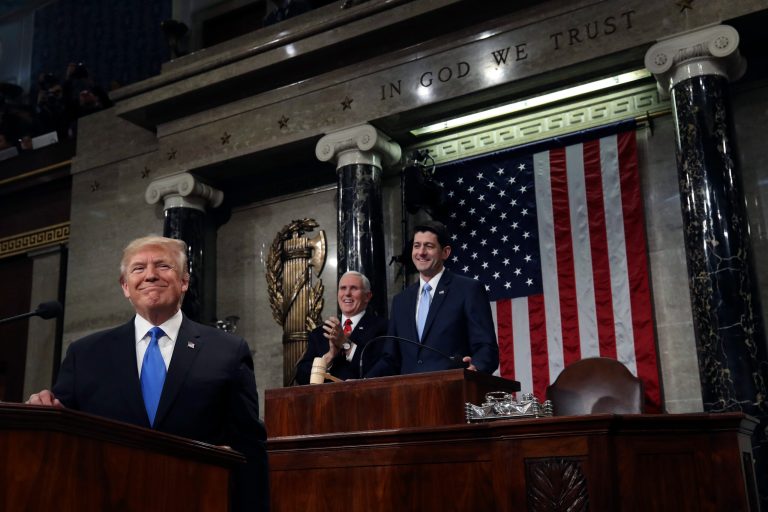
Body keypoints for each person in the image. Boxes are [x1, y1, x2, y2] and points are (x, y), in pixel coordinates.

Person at [26, 236, 269, 512]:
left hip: (198, 499)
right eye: (138, 268)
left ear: (185, 282)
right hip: (107, 500)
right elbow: (62, 431)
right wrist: (42, 409)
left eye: (163, 266)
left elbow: (249, 445)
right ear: (125, 286)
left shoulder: (226, 350)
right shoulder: (86, 354)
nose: (150, 275)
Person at [367, 220, 499, 377]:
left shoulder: (468, 290)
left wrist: (475, 368)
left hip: (453, 390)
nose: (421, 252)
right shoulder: (400, 301)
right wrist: (359, 382)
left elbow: (486, 347)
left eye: (429, 246)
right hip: (408, 395)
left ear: (446, 252)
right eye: (417, 246)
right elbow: (391, 359)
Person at [295, 271, 388, 384]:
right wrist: (329, 357)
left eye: (354, 288)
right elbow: (301, 376)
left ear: (367, 296)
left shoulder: (382, 327)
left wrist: (345, 344)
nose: (347, 293)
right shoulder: (320, 333)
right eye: (343, 288)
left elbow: (382, 369)